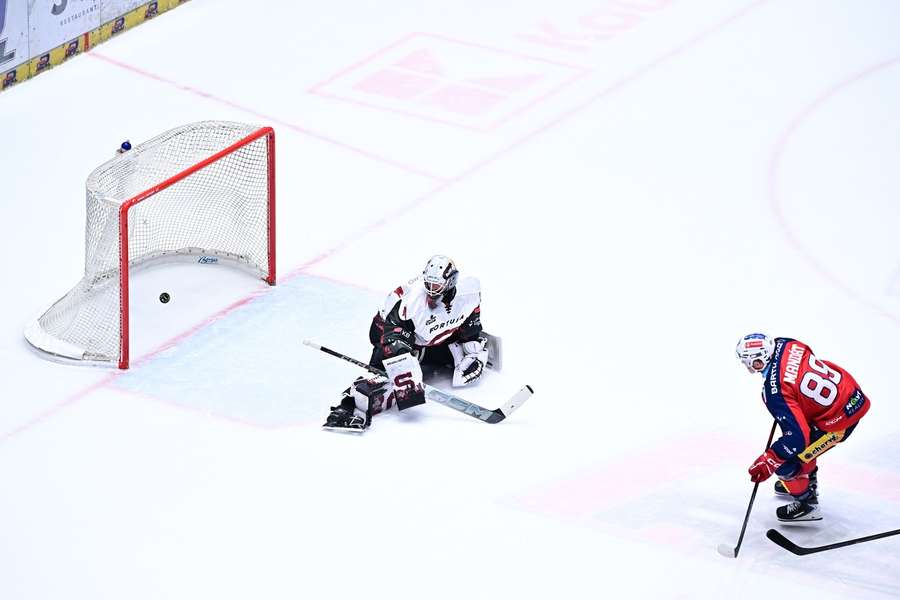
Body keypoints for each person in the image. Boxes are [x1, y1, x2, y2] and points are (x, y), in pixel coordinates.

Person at [324, 255, 489, 432]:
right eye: (429, 284)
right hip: (385, 330)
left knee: (436, 354)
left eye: (436, 286)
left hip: (426, 337)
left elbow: (471, 318)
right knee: (391, 376)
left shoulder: (469, 291)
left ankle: (427, 355)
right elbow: (392, 335)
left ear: (450, 282)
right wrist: (403, 365)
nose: (432, 291)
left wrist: (472, 347)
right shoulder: (411, 302)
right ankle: (349, 408)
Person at [735, 333, 871, 523]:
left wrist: (770, 459)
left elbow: (797, 439)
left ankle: (807, 504)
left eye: (750, 363)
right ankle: (805, 480)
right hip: (850, 393)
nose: (749, 368)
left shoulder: (774, 393)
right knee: (799, 440)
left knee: (785, 463)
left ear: (758, 360)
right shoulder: (786, 343)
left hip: (839, 420)